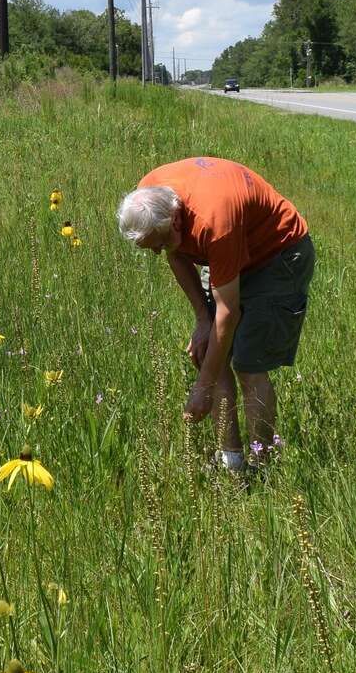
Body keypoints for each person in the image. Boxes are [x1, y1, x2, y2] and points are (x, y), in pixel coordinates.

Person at [117, 156, 314, 476]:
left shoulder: (214, 222)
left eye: (161, 243)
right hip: (231, 253)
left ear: (177, 221)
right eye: (150, 248)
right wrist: (201, 320)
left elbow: (228, 312)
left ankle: (263, 469)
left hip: (277, 256)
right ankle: (231, 461)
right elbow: (175, 254)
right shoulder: (150, 196)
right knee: (212, 350)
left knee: (248, 365)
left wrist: (202, 388)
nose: (157, 252)